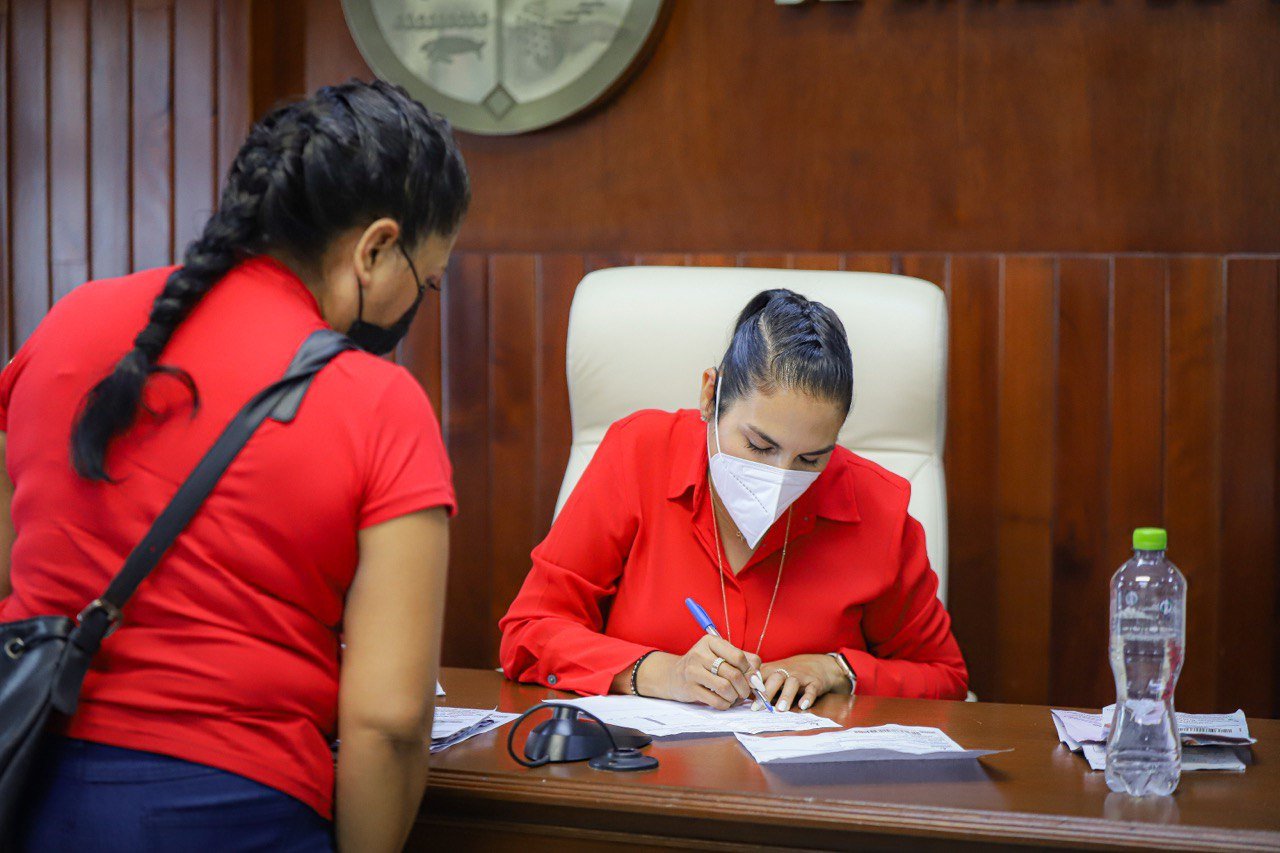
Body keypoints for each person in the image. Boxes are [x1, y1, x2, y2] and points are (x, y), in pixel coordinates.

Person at [1, 80, 468, 852]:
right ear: (376, 248)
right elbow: (388, 721)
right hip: (233, 810)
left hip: (32, 784)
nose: (418, 305)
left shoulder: (69, 318)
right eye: (428, 282)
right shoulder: (378, 401)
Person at [499, 288, 968, 713]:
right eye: (760, 446)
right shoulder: (639, 454)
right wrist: (660, 673)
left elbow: (944, 677)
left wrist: (837, 671)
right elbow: (530, 631)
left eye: (811, 457)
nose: (781, 477)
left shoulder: (878, 506)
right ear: (710, 394)